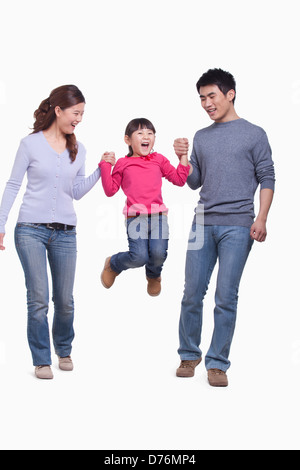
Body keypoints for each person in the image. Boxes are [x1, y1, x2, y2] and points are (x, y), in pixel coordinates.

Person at [174, 69, 275, 387]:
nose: (206, 103)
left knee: (225, 296)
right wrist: (182, 160)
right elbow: (194, 182)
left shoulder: (254, 133)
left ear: (230, 94)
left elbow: (267, 178)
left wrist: (261, 218)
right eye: (202, 98)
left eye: (211, 95)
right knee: (192, 293)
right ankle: (189, 354)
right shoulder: (202, 137)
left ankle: (217, 364)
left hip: (238, 226)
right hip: (202, 223)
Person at [0, 85, 106, 379]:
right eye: (76, 113)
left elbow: (76, 191)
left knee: (65, 299)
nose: (79, 119)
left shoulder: (79, 149)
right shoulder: (29, 144)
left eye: (82, 114)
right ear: (58, 110)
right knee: (38, 298)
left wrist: (100, 169)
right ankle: (41, 359)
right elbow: (12, 185)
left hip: (66, 233)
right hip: (30, 230)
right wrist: (1, 224)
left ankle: (64, 348)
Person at [99, 118, 191, 296]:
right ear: (128, 140)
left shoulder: (159, 160)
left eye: (150, 133)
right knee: (139, 257)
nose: (146, 136)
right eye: (140, 133)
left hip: (158, 217)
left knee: (158, 254)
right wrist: (105, 165)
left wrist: (183, 156)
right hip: (135, 218)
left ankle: (153, 275)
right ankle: (113, 264)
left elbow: (179, 180)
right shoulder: (123, 164)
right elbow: (110, 190)